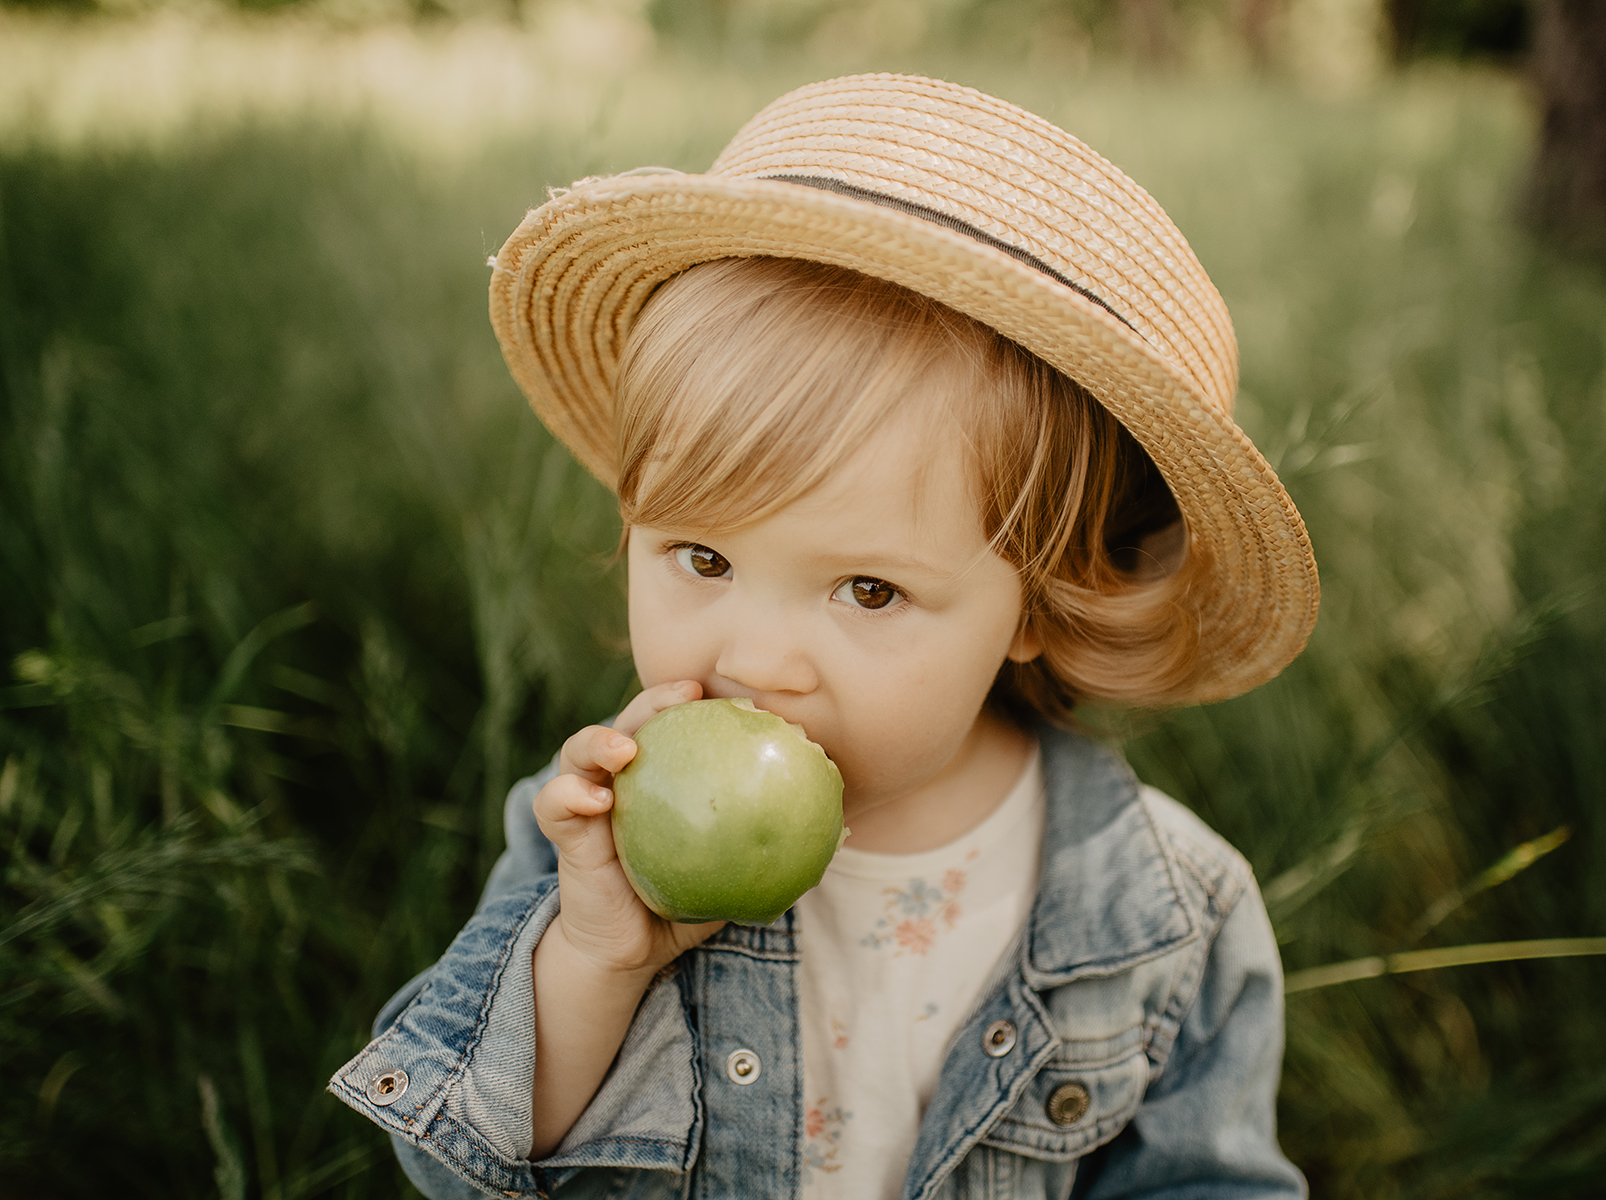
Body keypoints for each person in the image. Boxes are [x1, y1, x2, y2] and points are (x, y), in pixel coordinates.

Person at [330, 74, 1318, 1199]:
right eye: (704, 559)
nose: (754, 661)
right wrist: (596, 959)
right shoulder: (592, 852)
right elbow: (451, 1167)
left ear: (1040, 606)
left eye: (869, 590)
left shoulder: (1165, 912)